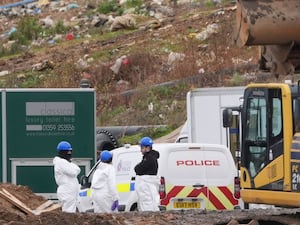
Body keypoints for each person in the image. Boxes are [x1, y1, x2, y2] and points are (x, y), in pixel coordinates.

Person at [53, 141, 81, 213]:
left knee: (70, 212)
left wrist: (70, 164)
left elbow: (77, 169)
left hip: (69, 191)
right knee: (68, 213)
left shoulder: (65, 162)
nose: (70, 153)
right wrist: (71, 165)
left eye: (70, 151)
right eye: (68, 151)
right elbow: (74, 172)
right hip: (67, 191)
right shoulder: (61, 162)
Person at [134, 136, 160, 211]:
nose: (140, 150)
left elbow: (138, 169)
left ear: (147, 148)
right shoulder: (150, 157)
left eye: (142, 148)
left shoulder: (149, 159)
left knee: (148, 205)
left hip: (147, 185)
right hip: (148, 184)